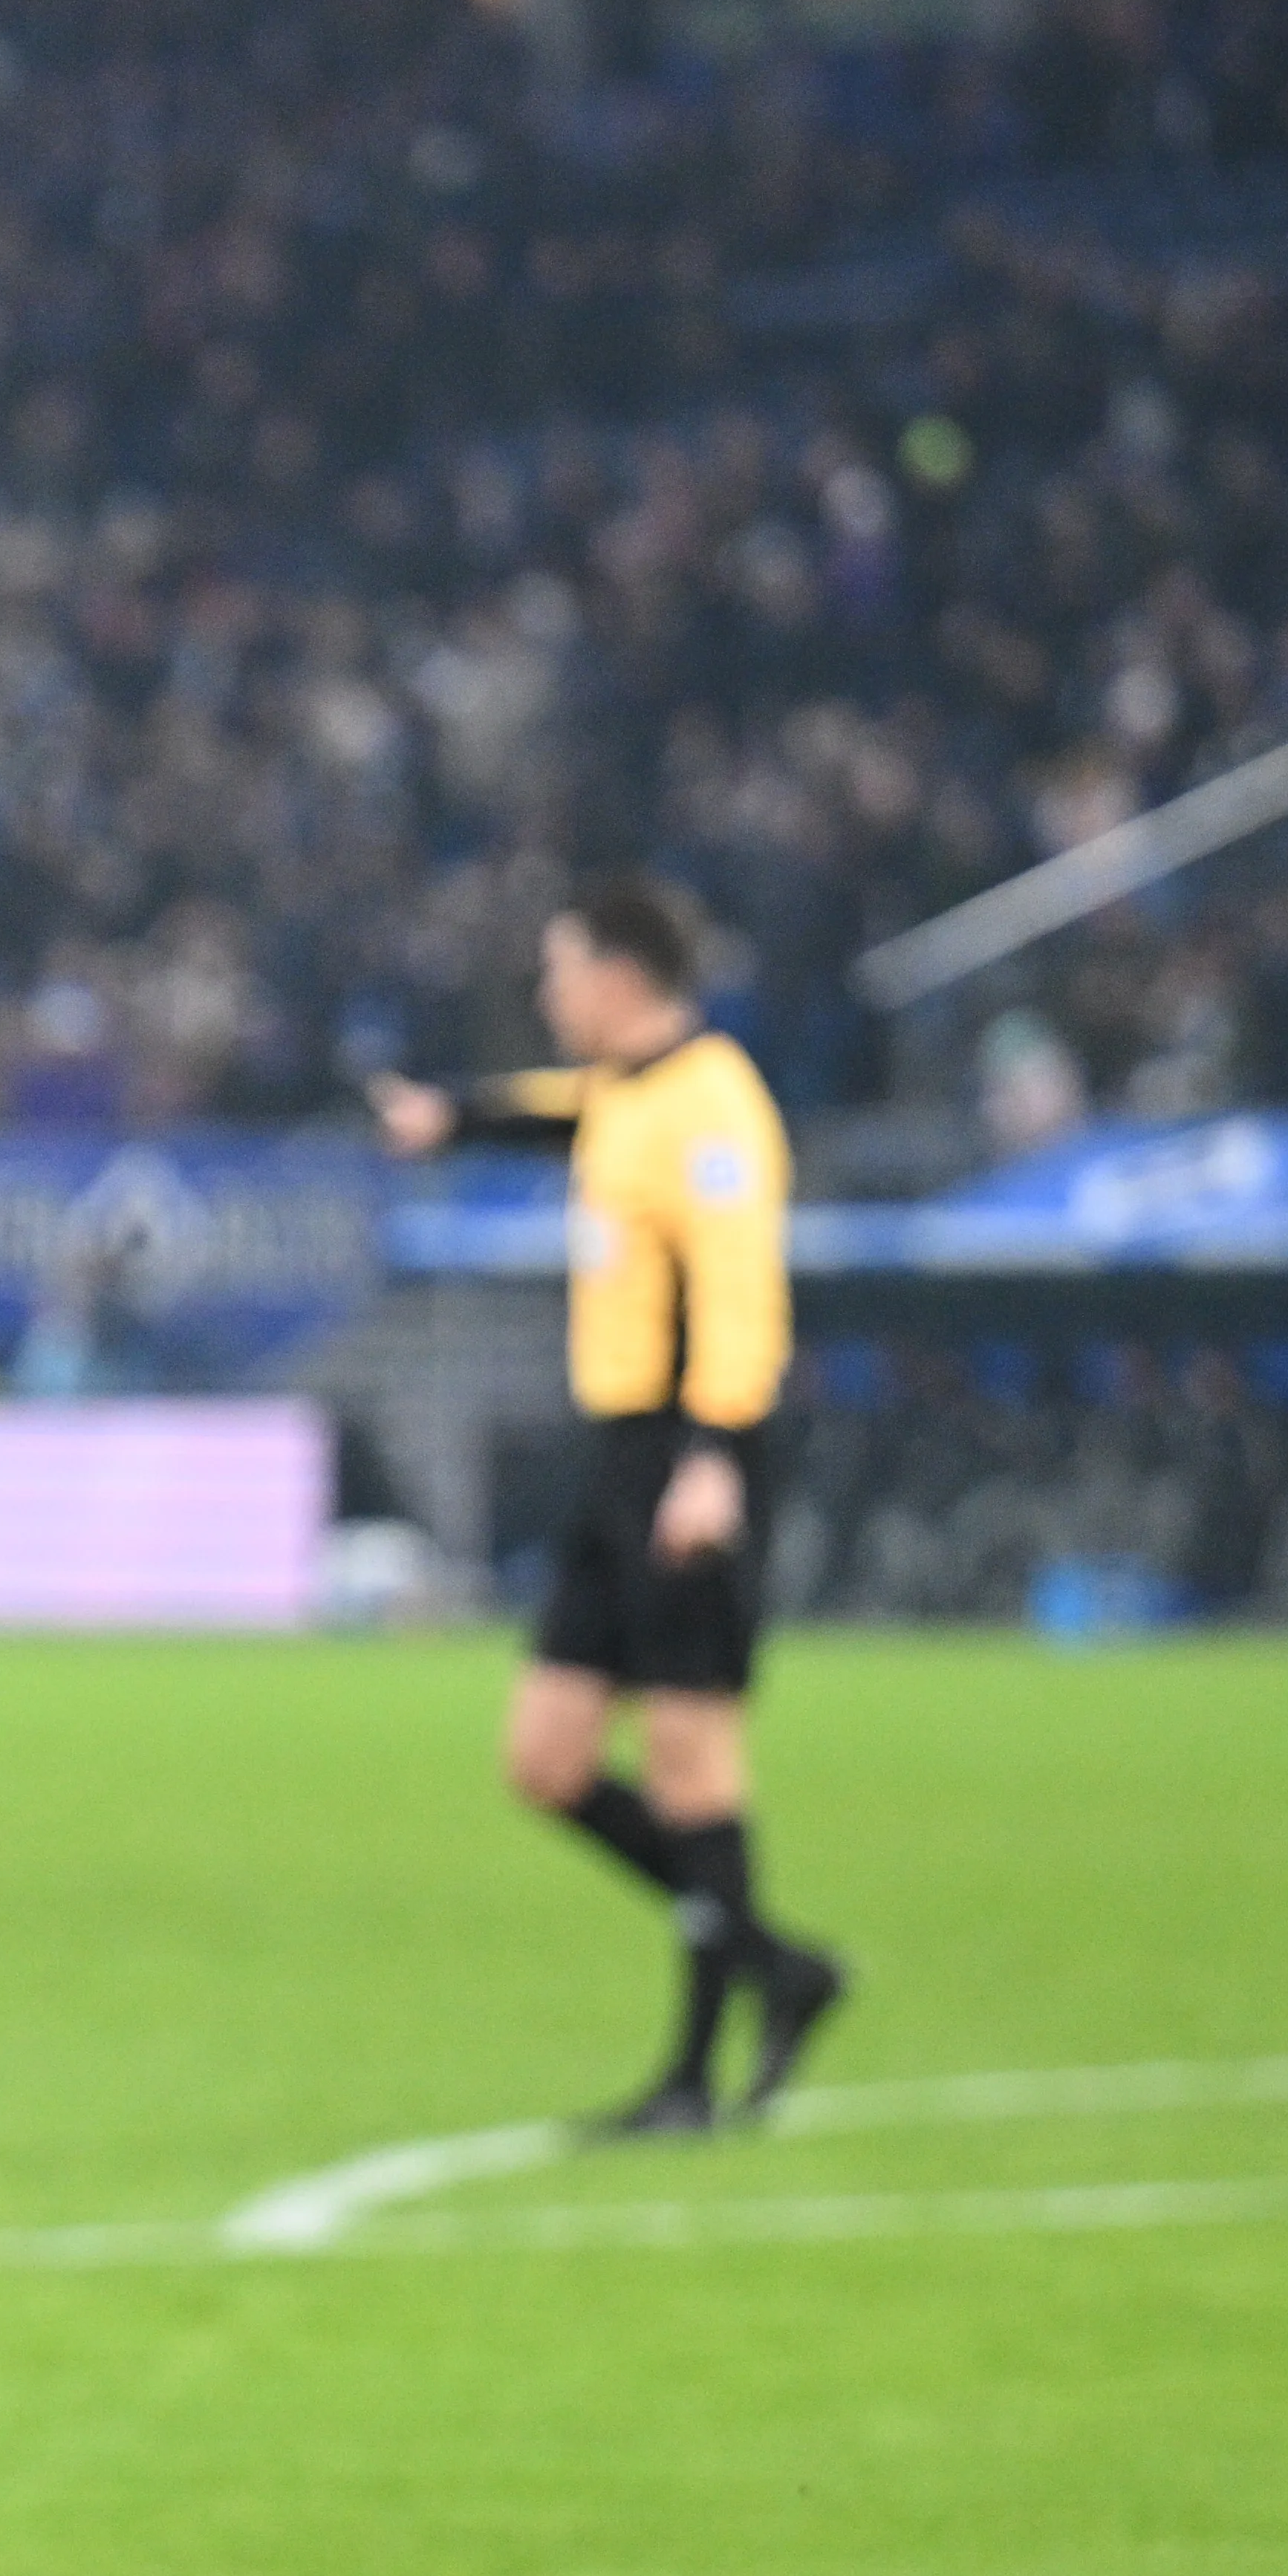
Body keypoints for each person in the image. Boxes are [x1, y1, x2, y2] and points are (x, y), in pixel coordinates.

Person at [371, 874, 848, 2131]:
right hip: (622, 1455)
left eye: (561, 968)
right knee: (546, 1759)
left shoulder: (715, 1110)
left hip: (694, 1457)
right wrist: (451, 1121)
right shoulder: (623, 1095)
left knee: (693, 1762)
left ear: (622, 976)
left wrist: (712, 1456)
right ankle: (777, 1967)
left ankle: (694, 2073)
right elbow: (556, 1115)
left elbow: (742, 1298)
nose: (547, 992)